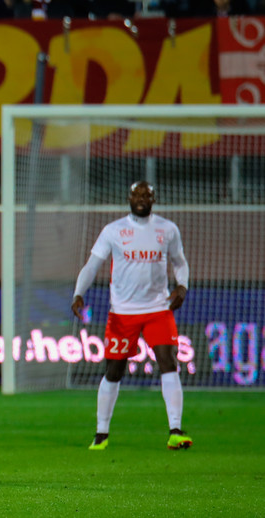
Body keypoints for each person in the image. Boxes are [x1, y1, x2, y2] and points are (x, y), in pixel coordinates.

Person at [71, 181, 191, 451]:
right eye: (137, 194)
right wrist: (79, 292)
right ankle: (102, 433)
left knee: (168, 360)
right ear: (128, 198)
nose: (141, 199)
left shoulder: (167, 229)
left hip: (158, 309)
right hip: (123, 312)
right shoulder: (113, 231)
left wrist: (182, 286)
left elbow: (179, 262)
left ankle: (175, 430)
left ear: (154, 199)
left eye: (146, 195)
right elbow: (92, 265)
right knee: (114, 370)